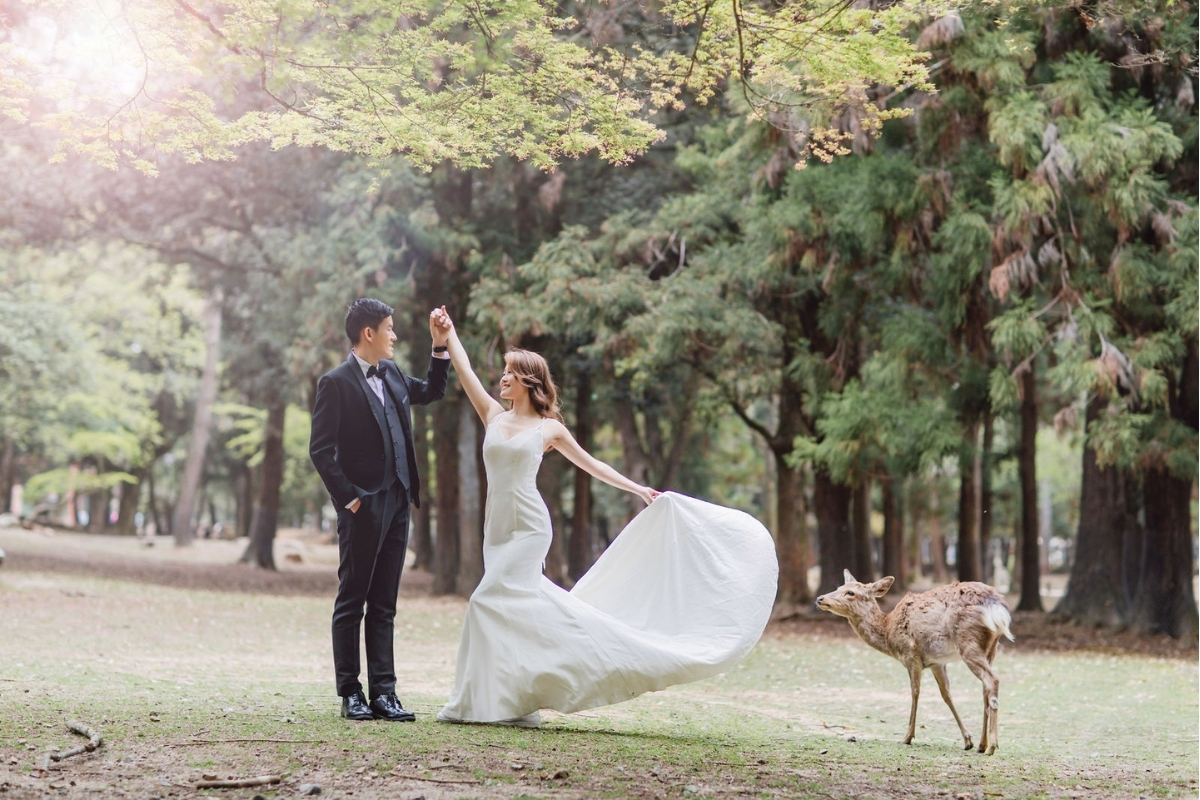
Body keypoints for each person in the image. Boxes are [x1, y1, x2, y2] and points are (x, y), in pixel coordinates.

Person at [432, 307, 779, 728]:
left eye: (509, 372)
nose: (501, 378)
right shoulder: (492, 414)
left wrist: (638, 490)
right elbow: (463, 368)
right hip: (497, 530)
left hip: (528, 529)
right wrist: (446, 335)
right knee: (512, 612)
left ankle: (476, 704)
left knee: (484, 602)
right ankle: (514, 702)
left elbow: (593, 465)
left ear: (527, 380)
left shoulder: (549, 430)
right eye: (502, 372)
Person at [309, 298, 450, 722]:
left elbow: (431, 390)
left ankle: (385, 694)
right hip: (361, 508)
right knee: (353, 599)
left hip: (399, 501)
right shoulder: (335, 383)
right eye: (388, 328)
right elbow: (320, 451)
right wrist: (350, 498)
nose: (394, 335)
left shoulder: (389, 372)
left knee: (385, 603)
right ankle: (351, 692)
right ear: (367, 333)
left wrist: (439, 348)